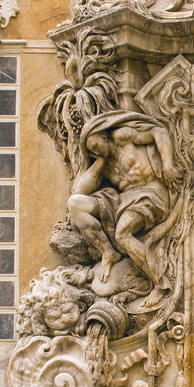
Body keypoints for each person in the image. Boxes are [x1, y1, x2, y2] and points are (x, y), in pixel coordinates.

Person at [67, 114, 178, 300]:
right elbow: (79, 190)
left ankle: (161, 284)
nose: (95, 151)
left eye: (95, 146)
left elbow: (159, 132)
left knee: (123, 234)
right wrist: (99, 161)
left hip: (151, 194)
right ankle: (108, 252)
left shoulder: (122, 136)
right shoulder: (104, 164)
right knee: (75, 204)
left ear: (104, 136)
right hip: (122, 202)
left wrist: (168, 165)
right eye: (91, 151)